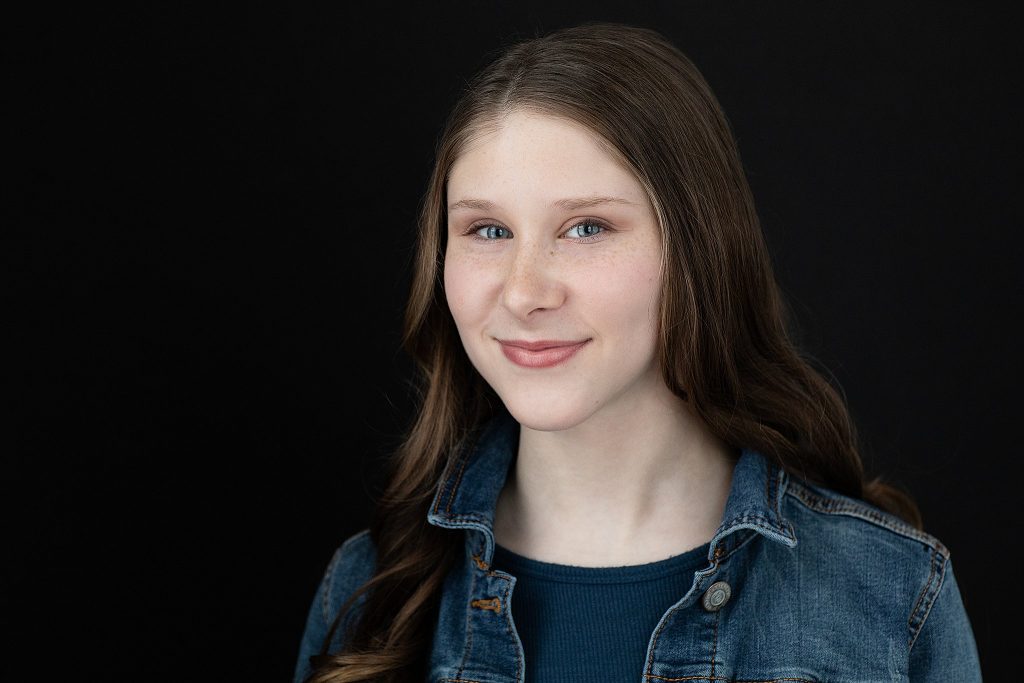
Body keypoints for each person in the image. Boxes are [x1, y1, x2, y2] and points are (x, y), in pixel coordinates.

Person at [293, 20, 983, 683]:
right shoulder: (368, 590)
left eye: (586, 226)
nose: (524, 291)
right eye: (488, 230)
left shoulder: (890, 594)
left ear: (697, 248)